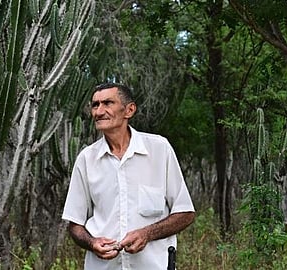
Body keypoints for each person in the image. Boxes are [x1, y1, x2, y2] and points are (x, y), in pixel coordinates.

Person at [62, 83, 195, 269]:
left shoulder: (159, 149)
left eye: (108, 103)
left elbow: (185, 213)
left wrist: (147, 234)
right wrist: (92, 243)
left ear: (129, 110)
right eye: (95, 105)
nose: (99, 111)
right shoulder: (86, 159)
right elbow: (75, 224)